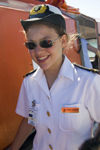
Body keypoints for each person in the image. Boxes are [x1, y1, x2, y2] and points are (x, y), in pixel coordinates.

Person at [9, 3, 100, 150]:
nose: (38, 52)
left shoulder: (88, 82)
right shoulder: (29, 83)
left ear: (63, 41)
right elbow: (29, 118)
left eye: (46, 42)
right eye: (31, 45)